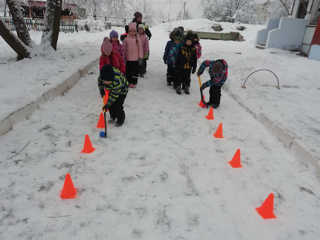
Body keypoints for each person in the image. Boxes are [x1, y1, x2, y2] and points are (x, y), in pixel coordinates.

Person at [122, 22, 143, 88]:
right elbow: (124, 49)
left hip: (135, 59)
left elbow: (140, 49)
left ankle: (134, 82)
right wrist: (123, 58)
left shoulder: (138, 39)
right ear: (129, 31)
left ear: (136, 31)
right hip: (128, 59)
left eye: (134, 31)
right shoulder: (126, 39)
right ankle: (128, 82)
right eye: (131, 31)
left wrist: (140, 57)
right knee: (128, 71)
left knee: (135, 72)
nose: (132, 33)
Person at [175, 31, 197, 95]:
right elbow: (178, 58)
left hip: (189, 66)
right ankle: (178, 87)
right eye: (187, 41)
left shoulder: (193, 49)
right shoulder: (182, 48)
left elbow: (194, 59)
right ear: (185, 41)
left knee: (187, 78)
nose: (188, 43)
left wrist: (194, 67)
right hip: (181, 66)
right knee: (179, 77)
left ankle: (186, 88)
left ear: (192, 42)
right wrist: (177, 65)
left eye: (190, 42)